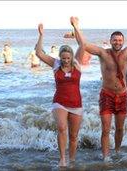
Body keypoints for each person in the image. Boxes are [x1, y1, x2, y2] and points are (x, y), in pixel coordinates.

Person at [70, 4, 127, 162]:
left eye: (120, 40)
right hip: (107, 95)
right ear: (111, 41)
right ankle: (106, 157)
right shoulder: (103, 53)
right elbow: (83, 44)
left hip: (123, 95)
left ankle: (117, 151)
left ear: (123, 42)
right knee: (105, 129)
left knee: (119, 128)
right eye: (115, 40)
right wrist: (76, 27)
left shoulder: (126, 53)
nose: (117, 42)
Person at [35, 24, 83, 167]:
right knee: (62, 128)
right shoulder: (55, 64)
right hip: (59, 102)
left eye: (68, 58)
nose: (66, 61)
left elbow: (83, 45)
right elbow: (39, 53)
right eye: (63, 58)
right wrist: (41, 35)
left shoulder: (77, 64)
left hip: (76, 104)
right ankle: (62, 159)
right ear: (60, 57)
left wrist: (76, 27)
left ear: (72, 57)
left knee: (73, 136)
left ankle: (72, 160)